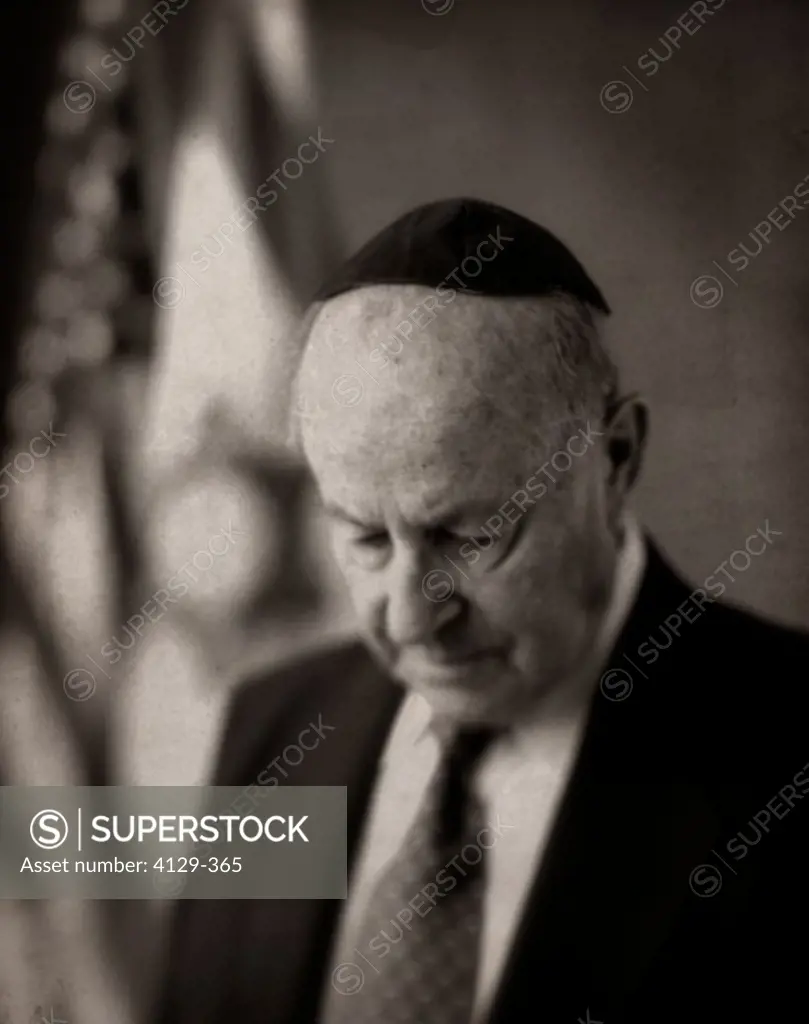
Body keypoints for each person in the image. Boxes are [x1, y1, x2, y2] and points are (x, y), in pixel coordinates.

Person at [154, 198, 809, 1024]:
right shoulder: (274, 729)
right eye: (362, 536)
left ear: (614, 462)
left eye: (470, 535)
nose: (406, 619)